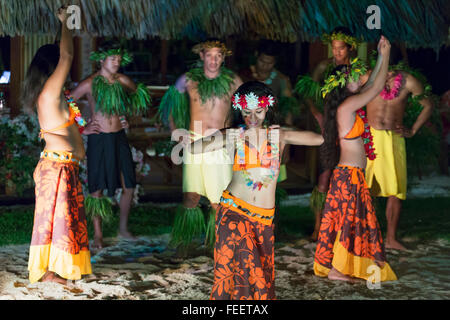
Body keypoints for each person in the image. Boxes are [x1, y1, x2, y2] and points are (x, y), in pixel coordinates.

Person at [188, 81, 323, 299]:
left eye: (258, 111)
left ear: (267, 108)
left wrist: (301, 125)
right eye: (247, 112)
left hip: (263, 219)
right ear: (239, 110)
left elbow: (320, 139)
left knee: (259, 275)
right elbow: (193, 149)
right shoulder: (234, 134)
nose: (252, 117)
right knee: (233, 273)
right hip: (234, 211)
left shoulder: (280, 136)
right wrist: (222, 137)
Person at [313, 36, 397, 283]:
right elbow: (376, 88)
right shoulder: (347, 107)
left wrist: (381, 55)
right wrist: (387, 55)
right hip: (349, 175)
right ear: (342, 84)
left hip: (349, 174)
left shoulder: (347, 104)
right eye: (352, 77)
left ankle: (337, 266)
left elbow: (370, 83)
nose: (356, 78)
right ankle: (338, 270)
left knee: (346, 222)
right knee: (349, 223)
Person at [23, 7, 91, 284]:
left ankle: (61, 267)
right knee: (54, 222)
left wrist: (60, 27)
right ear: (53, 70)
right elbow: (66, 54)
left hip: (65, 166)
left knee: (66, 221)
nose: (67, 70)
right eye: (61, 68)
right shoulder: (49, 92)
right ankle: (47, 272)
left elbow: (59, 52)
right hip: (56, 167)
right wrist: (66, 24)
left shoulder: (55, 93)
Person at [158, 40, 243, 250]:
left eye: (218, 56)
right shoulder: (187, 80)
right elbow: (169, 104)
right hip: (195, 143)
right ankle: (184, 242)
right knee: (191, 197)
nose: (214, 60)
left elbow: (248, 107)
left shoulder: (233, 81)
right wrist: (175, 131)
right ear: (202, 56)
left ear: (223, 58)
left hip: (220, 145)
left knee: (219, 199)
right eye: (210, 55)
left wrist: (241, 132)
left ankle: (220, 244)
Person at [70, 42, 151, 249]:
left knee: (129, 184)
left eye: (118, 58)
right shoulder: (90, 83)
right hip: (99, 138)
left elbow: (138, 97)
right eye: (112, 58)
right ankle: (97, 234)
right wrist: (83, 126)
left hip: (119, 137)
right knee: (96, 187)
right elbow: (69, 101)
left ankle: (123, 229)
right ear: (101, 60)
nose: (116, 62)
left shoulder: (123, 81)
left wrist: (129, 118)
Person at [365, 53, 434, 251]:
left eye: (389, 70)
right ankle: (367, 235)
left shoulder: (409, 82)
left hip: (394, 139)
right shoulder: (367, 78)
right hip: (369, 137)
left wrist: (412, 130)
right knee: (366, 189)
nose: (385, 74)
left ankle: (391, 238)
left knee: (396, 190)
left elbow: (427, 105)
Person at [295, 26, 359, 241]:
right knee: (323, 178)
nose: (336, 53)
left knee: (347, 178)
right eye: (333, 48)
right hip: (327, 127)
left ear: (350, 47)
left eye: (340, 49)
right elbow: (307, 94)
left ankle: (343, 227)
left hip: (349, 129)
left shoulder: (357, 70)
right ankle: (317, 226)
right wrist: (317, 115)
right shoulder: (324, 67)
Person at [239, 40, 299, 237]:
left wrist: (286, 145)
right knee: (245, 180)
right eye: (263, 61)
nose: (265, 66)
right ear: (257, 56)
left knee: (272, 183)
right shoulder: (242, 76)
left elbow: (289, 111)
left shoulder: (281, 80)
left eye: (270, 63)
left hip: (271, 137)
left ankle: (271, 226)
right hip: (248, 137)